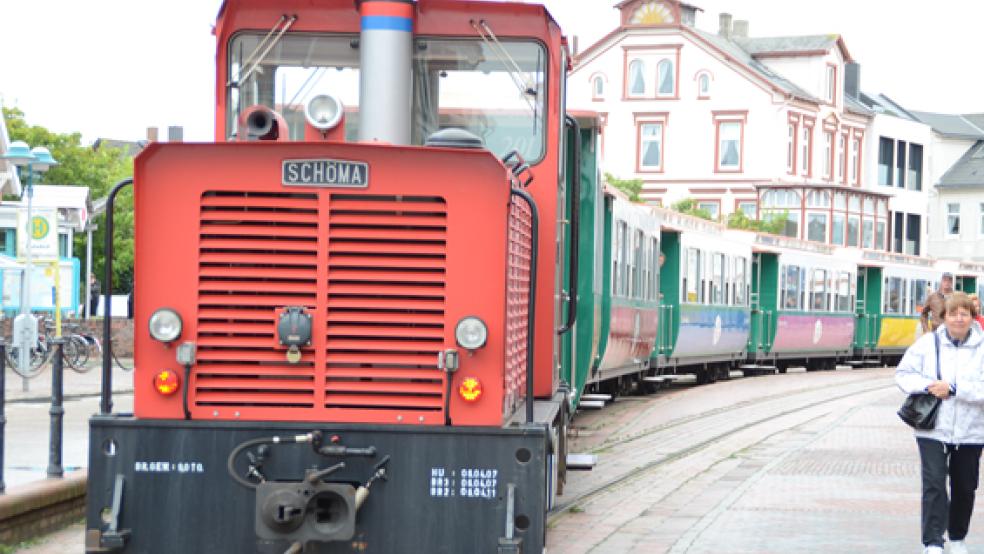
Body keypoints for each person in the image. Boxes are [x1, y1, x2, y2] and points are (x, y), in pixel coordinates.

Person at [896, 292, 984, 554]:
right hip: (933, 428)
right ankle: (933, 542)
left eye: (964, 313)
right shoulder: (927, 344)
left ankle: (957, 538)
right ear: (944, 317)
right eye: (953, 313)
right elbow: (902, 374)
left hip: (972, 430)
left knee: (965, 487)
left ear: (972, 317)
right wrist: (929, 386)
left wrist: (956, 389)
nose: (959, 318)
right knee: (934, 483)